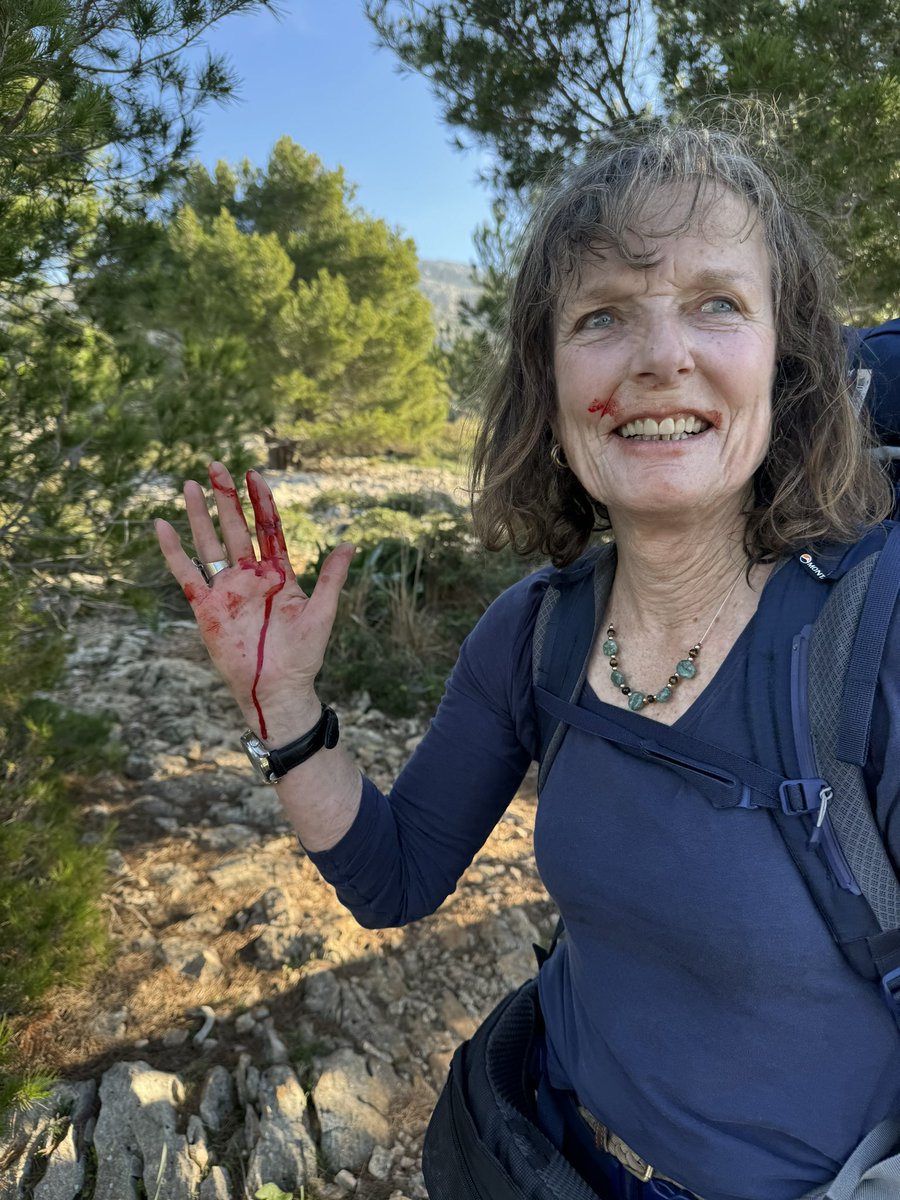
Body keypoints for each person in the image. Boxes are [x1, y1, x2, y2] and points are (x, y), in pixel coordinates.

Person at [156, 123, 900, 1200]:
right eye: (601, 316)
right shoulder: (535, 630)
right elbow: (393, 880)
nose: (659, 356)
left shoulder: (873, 640)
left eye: (717, 304)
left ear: (787, 366)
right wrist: (284, 705)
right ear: (548, 388)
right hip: (536, 1154)